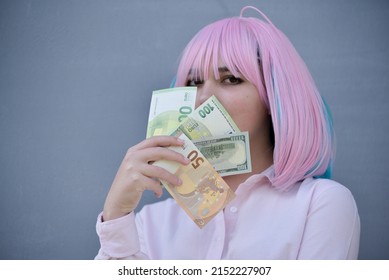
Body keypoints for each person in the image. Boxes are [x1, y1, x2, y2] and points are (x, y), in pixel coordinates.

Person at [95, 6, 360, 260]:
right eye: (194, 82)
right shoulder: (148, 224)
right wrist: (116, 216)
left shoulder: (321, 205)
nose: (204, 98)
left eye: (231, 79)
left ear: (274, 96)